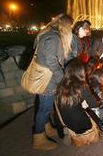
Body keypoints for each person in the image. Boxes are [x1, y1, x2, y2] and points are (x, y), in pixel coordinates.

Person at [33, 13, 74, 150]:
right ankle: (38, 139)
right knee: (44, 109)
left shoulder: (50, 34)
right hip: (47, 81)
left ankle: (47, 129)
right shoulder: (52, 37)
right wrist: (61, 78)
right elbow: (52, 62)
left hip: (47, 79)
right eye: (71, 26)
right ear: (65, 25)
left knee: (46, 107)